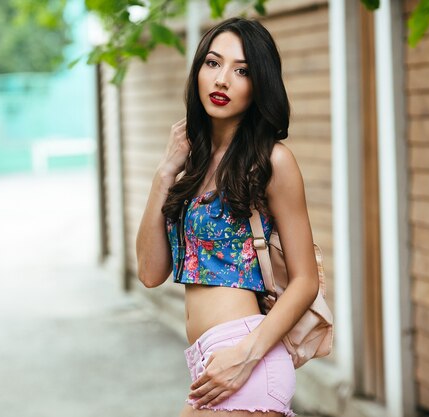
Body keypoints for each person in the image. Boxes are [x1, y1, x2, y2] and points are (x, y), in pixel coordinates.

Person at [135, 17, 320, 417]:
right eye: (213, 63)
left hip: (246, 353)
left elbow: (306, 280)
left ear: (260, 86)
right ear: (198, 69)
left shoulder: (272, 161)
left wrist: (246, 355)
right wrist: (165, 173)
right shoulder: (193, 166)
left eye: (242, 71)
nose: (223, 80)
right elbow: (150, 273)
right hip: (208, 361)